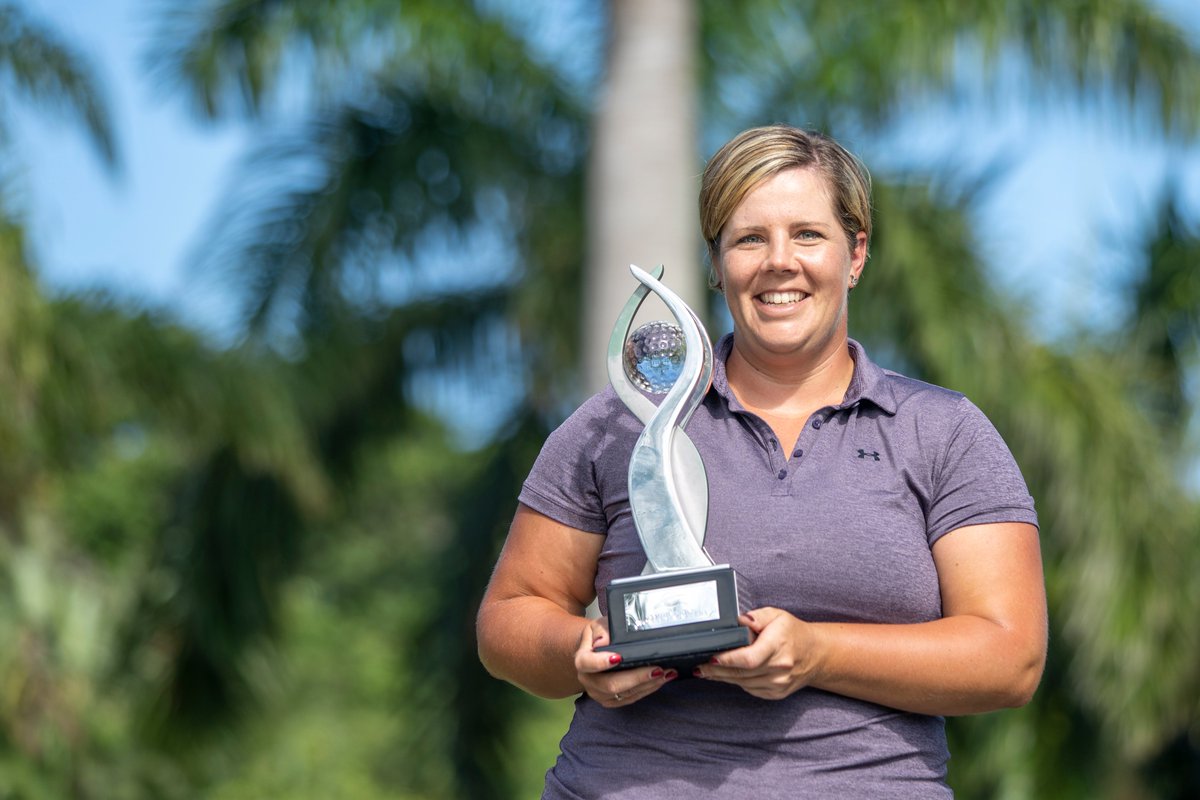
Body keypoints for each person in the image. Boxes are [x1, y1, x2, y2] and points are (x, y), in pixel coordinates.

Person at [476, 124, 1047, 798]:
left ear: (855, 254)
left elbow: (1011, 659)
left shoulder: (943, 431)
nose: (780, 261)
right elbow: (508, 618)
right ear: (717, 266)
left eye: (807, 234)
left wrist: (819, 654)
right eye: (749, 239)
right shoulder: (618, 423)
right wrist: (577, 652)